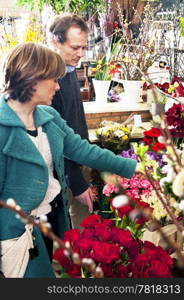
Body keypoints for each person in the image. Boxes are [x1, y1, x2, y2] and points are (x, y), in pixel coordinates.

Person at [0, 42, 136, 278]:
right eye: (53, 79)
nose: (57, 86)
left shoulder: (48, 117)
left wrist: (133, 168)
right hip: (15, 235)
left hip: (51, 219)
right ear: (32, 78)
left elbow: (83, 150)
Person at [48, 13, 95, 229]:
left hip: (79, 159)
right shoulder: (48, 80)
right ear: (55, 41)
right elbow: (55, 139)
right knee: (77, 230)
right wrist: (76, 181)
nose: (80, 54)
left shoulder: (68, 70)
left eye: (83, 47)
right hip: (65, 169)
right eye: (75, 47)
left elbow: (74, 122)